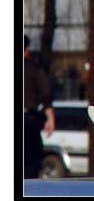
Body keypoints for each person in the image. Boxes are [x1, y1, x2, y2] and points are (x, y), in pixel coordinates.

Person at [24, 34, 55, 178]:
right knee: (31, 160)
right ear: (27, 48)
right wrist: (50, 119)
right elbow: (45, 95)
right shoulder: (33, 68)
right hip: (28, 120)